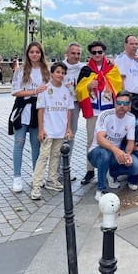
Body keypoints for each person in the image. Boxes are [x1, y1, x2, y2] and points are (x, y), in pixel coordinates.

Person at [76, 41, 123, 186]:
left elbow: (119, 86)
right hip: (94, 111)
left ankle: (111, 171)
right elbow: (78, 90)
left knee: (111, 140)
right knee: (91, 140)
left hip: (109, 111)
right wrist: (88, 86)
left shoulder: (112, 69)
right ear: (90, 54)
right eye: (94, 52)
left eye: (100, 52)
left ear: (104, 53)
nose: (97, 55)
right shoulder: (86, 70)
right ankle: (90, 171)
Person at [9, 42, 50, 192]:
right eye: (32, 52)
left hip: (38, 111)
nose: (35, 55)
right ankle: (17, 177)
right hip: (22, 109)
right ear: (28, 53)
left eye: (37, 52)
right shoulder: (20, 70)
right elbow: (15, 91)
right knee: (19, 143)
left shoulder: (46, 71)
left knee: (36, 144)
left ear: (41, 54)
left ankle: (36, 176)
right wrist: (34, 92)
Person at [30, 62, 74, 200]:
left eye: (63, 73)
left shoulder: (67, 91)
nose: (60, 75)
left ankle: (51, 180)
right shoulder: (45, 90)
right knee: (43, 157)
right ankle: (36, 186)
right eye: (58, 72)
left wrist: (68, 128)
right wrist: (41, 130)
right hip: (48, 130)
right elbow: (41, 111)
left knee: (56, 156)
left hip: (60, 131)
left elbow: (69, 111)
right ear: (52, 73)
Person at [87, 90, 138, 200]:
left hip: (116, 154)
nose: (122, 106)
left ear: (130, 105)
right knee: (105, 153)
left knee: (136, 167)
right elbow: (100, 139)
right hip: (97, 152)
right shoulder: (105, 115)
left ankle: (111, 174)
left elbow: (131, 141)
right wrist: (116, 150)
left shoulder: (131, 118)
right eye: (119, 102)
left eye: (126, 103)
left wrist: (127, 155)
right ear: (115, 103)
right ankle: (100, 189)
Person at [62, 42, 85, 180]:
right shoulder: (60, 67)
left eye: (78, 54)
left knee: (72, 134)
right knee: (63, 135)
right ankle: (60, 170)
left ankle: (66, 168)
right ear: (67, 54)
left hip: (78, 102)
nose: (76, 56)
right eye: (73, 53)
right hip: (63, 105)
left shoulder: (83, 67)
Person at [115, 34, 138, 118]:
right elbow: (121, 80)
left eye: (136, 44)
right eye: (131, 44)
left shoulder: (135, 61)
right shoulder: (121, 59)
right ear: (125, 45)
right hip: (130, 98)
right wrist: (126, 102)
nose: (134, 46)